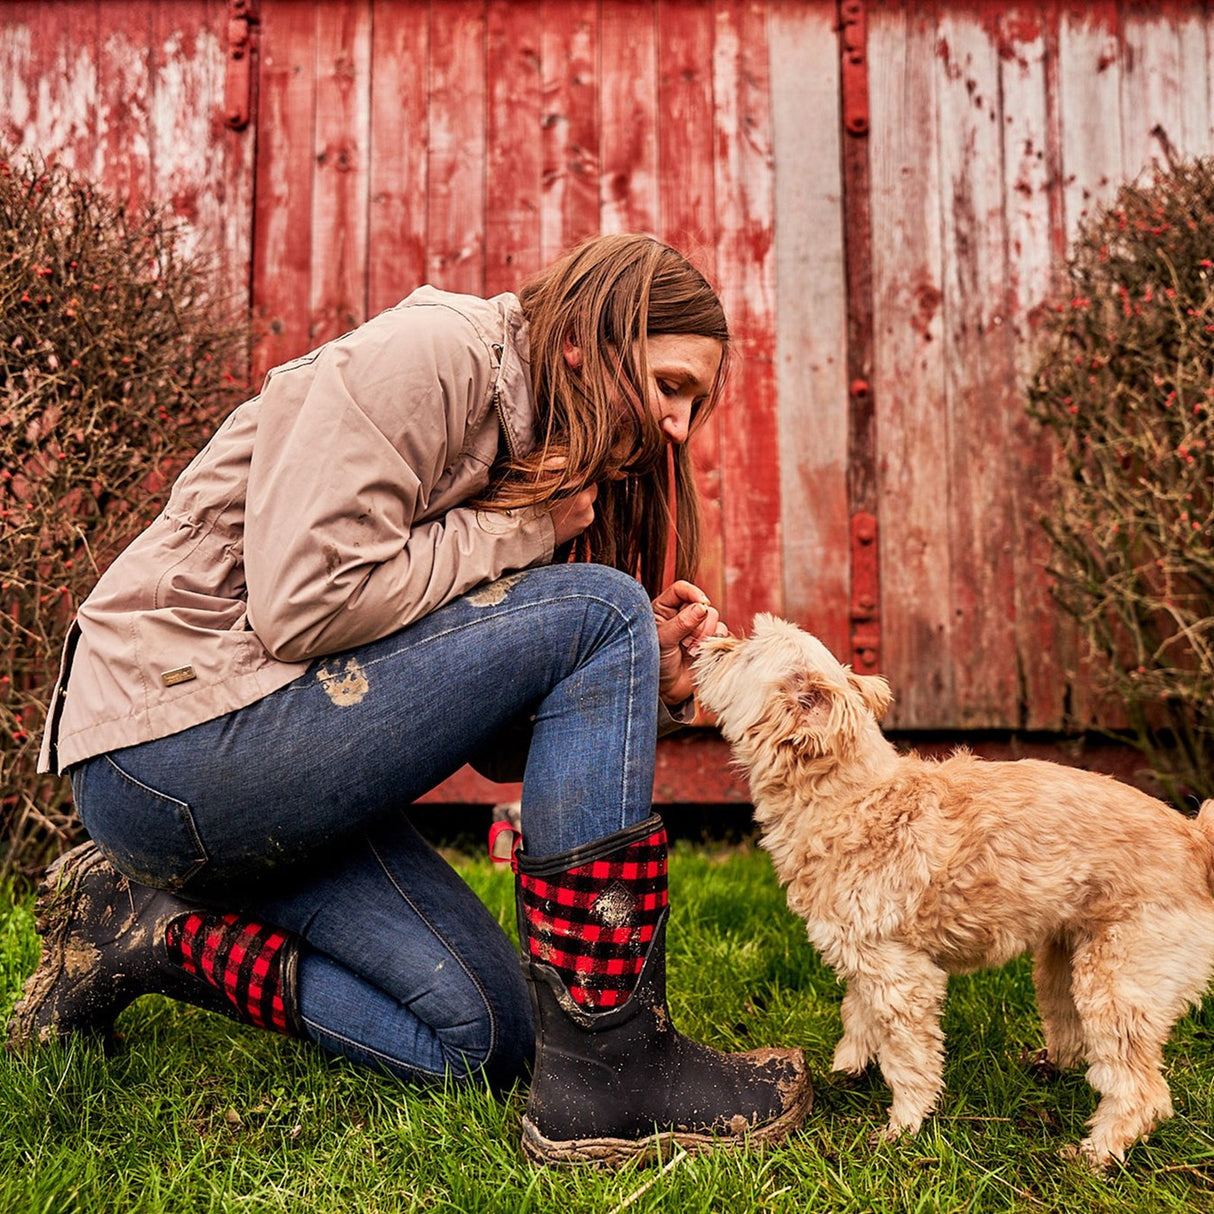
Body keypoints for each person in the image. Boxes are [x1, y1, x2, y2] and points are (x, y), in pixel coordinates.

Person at [9, 233, 813, 1166]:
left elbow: (497, 751)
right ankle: (611, 1070)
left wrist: (650, 682)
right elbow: (304, 607)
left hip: (280, 764)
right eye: (670, 385)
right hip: (174, 751)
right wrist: (526, 537)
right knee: (602, 608)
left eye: (695, 403)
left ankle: (149, 931)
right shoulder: (433, 356)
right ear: (580, 343)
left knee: (486, 1037)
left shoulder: (544, 452)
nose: (679, 425)